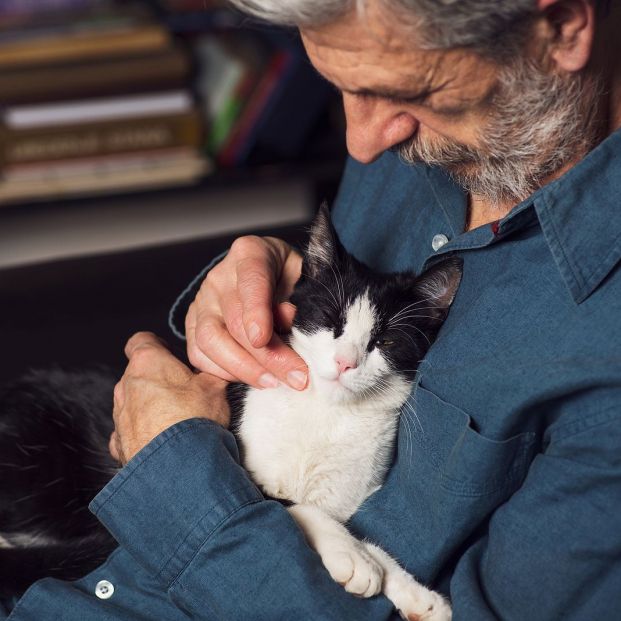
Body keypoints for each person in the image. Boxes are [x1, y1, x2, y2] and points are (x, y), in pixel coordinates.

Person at [4, 0, 621, 619]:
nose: (360, 143)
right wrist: (264, 279)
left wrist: (177, 477)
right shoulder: (413, 124)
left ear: (563, 26)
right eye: (339, 87)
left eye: (410, 91)